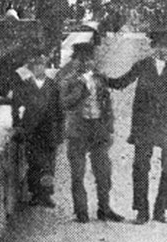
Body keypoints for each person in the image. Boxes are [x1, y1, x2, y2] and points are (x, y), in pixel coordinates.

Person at [105, 29, 167, 224]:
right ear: (153, 47)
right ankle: (142, 210)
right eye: (160, 46)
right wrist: (102, 79)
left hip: (165, 125)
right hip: (144, 125)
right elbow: (121, 82)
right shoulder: (143, 65)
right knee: (141, 167)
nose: (163, 50)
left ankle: (160, 210)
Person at [60, 41, 123, 223]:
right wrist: (80, 90)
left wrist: (109, 128)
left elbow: (108, 105)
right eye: (82, 59)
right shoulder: (68, 80)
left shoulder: (100, 78)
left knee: (104, 172)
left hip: (98, 129)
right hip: (78, 130)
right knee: (78, 174)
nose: (87, 62)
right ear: (76, 61)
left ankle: (104, 209)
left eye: (89, 59)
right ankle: (82, 212)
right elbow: (64, 104)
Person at [12, 48, 62, 207]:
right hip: (32, 130)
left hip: (49, 131)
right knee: (33, 163)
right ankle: (35, 193)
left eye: (41, 65)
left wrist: (60, 132)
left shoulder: (53, 86)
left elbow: (60, 111)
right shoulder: (25, 85)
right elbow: (16, 107)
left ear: (45, 67)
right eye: (36, 66)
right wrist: (18, 126)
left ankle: (46, 195)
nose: (39, 68)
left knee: (48, 165)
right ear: (32, 68)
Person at [36, 0, 71, 68]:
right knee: (47, 42)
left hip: (57, 20)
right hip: (46, 20)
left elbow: (65, 5)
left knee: (56, 42)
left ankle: (56, 62)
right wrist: (38, 17)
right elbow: (39, 4)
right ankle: (47, 63)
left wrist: (65, 17)